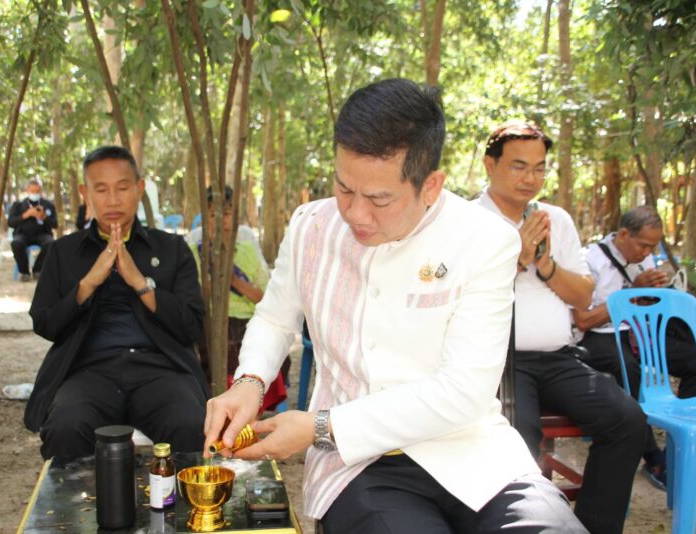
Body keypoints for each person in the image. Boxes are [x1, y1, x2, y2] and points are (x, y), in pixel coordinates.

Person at [203, 79, 586, 534]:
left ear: (431, 186)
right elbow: (273, 317)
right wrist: (249, 382)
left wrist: (320, 427)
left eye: (380, 199)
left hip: (473, 453)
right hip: (361, 463)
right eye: (344, 188)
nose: (355, 214)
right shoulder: (312, 227)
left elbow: (464, 391)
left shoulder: (484, 239)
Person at [474, 120, 647, 534]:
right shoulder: (467, 220)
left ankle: (593, 526)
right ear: (490, 165)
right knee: (518, 439)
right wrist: (517, 257)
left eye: (539, 168)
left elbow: (584, 296)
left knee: (628, 421)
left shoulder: (556, 219)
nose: (530, 178)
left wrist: (545, 264)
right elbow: (460, 296)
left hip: (558, 357)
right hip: (498, 363)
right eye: (518, 166)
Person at [24, 146, 209, 462]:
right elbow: (45, 324)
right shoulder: (63, 252)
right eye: (101, 189)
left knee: (190, 424)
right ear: (85, 193)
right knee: (66, 427)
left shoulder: (171, 248)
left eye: (122, 188)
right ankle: (80, 497)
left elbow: (192, 325)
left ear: (139, 189)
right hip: (88, 369)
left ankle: (179, 496)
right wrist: (87, 284)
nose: (112, 200)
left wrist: (141, 284)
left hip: (161, 368)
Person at [574, 205, 696, 492]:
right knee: (627, 368)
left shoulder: (645, 258)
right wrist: (632, 293)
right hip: (597, 335)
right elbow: (583, 320)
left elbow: (643, 305)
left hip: (638, 331)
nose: (646, 253)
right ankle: (652, 457)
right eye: (643, 245)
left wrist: (656, 294)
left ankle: (679, 450)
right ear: (623, 234)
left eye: (652, 247)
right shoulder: (590, 261)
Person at [193, 185, 287, 410]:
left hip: (248, 320)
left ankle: (253, 408)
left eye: (226, 214)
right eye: (213, 215)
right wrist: (214, 270)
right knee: (223, 349)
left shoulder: (247, 251)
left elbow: (265, 298)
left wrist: (233, 281)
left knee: (265, 346)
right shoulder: (194, 251)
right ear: (205, 219)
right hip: (212, 321)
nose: (221, 221)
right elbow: (196, 297)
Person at [8, 179, 58, 281]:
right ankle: (24, 272)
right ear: (27, 190)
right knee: (16, 243)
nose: (35, 193)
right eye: (32, 191)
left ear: (41, 191)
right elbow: (11, 222)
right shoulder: (18, 205)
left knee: (51, 243)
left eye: (37, 191)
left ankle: (38, 270)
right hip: (23, 234)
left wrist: (43, 216)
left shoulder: (48, 205)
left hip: (42, 234)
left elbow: (55, 224)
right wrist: (26, 215)